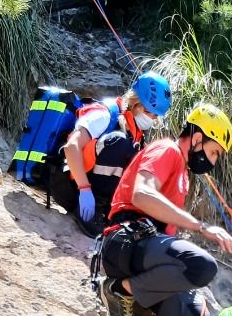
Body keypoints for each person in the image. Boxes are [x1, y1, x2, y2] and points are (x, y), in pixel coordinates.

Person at [97, 102, 232, 316]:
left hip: (144, 255)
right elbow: (142, 194)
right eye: (214, 152)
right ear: (197, 139)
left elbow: (166, 236)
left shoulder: (183, 174)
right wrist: (201, 227)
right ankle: (120, 291)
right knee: (202, 266)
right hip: (125, 243)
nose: (213, 161)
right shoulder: (167, 151)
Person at [49, 72, 173, 236]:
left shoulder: (135, 131)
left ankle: (109, 212)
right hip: (72, 188)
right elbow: (71, 147)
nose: (155, 119)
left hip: (90, 193)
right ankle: (93, 213)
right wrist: (85, 191)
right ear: (138, 105)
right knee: (118, 142)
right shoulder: (105, 114)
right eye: (153, 113)